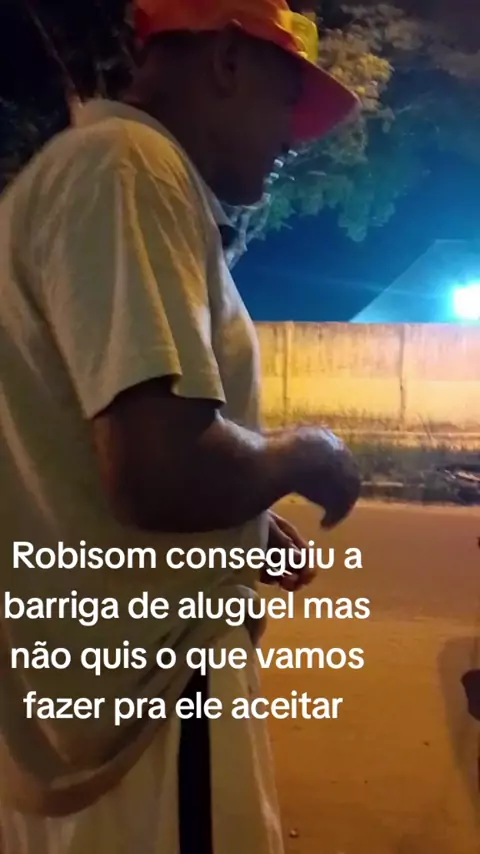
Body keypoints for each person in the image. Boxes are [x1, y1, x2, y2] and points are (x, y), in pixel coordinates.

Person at [0, 1, 361, 851]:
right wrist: (304, 454)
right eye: (287, 99)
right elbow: (160, 471)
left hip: (84, 715)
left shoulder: (81, 174)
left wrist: (242, 518)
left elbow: (85, 445)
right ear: (227, 61)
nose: (292, 136)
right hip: (152, 713)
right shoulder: (131, 168)